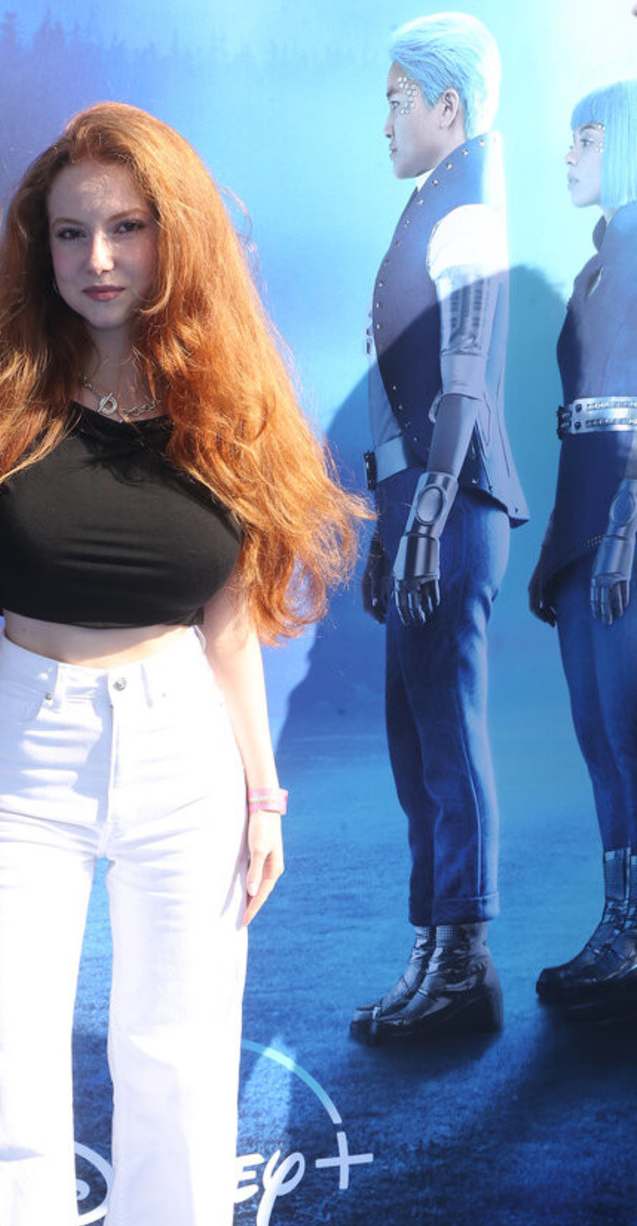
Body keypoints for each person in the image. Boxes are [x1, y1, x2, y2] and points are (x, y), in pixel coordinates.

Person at [0, 102, 360, 1226]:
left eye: (126, 227)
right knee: (6, 1087)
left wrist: (264, 792)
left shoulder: (225, 407)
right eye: (71, 232)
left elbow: (230, 630)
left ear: (177, 238)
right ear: (37, 247)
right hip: (27, 744)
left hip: (185, 748)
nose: (98, 257)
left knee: (177, 1072)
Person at [354, 12, 526, 1045]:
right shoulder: (435, 203)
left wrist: (425, 507)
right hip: (423, 500)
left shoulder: (466, 209)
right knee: (415, 735)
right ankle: (435, 948)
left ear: (446, 105)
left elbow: (465, 375)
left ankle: (464, 962)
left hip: (450, 502)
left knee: (446, 734)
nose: (385, 121)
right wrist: (394, 517)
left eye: (397, 100)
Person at [528, 79, 637, 1023]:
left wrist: (627, 527)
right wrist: (562, 543)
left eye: (588, 137)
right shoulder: (598, 263)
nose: (570, 155)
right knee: (600, 737)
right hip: (585, 520)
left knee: (628, 732)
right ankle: (621, 923)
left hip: (625, 523)